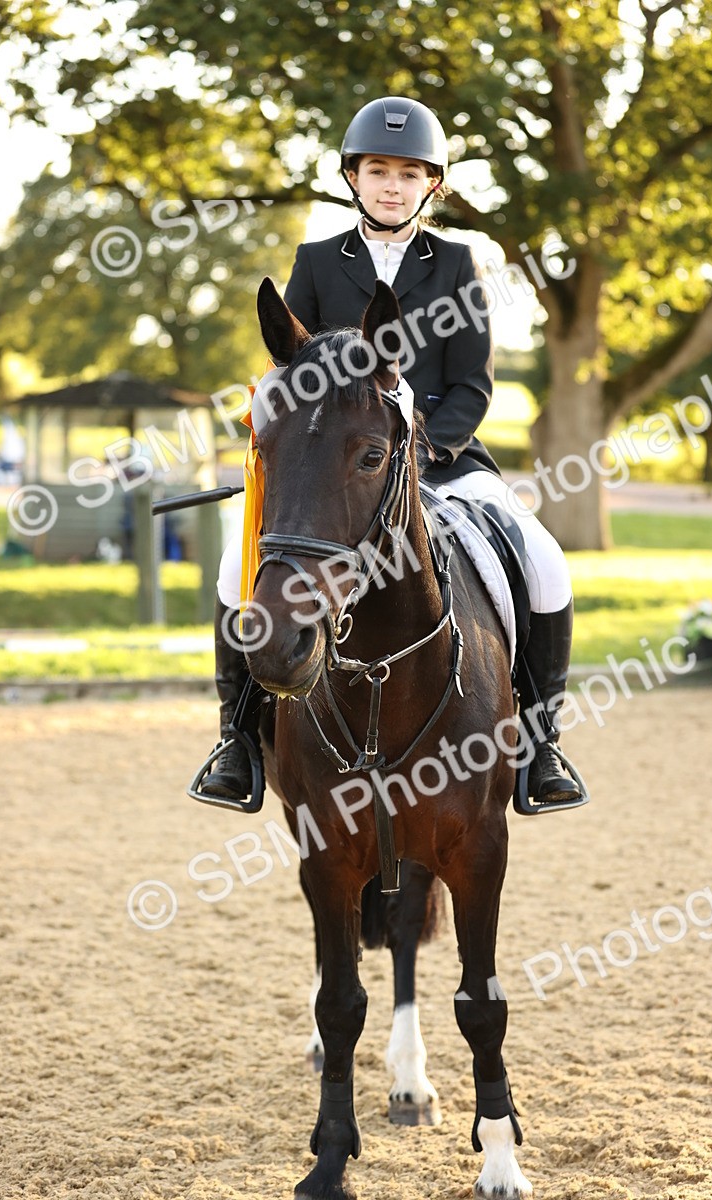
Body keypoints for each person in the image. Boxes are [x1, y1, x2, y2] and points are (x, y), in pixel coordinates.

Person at [195, 95, 582, 810]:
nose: (393, 185)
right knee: (233, 567)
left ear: (432, 183)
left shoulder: (460, 263)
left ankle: (542, 740)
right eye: (379, 170)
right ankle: (237, 740)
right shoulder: (314, 262)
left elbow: (471, 384)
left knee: (542, 558)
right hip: (336, 468)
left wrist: (420, 451)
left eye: (409, 173)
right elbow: (295, 372)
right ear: (354, 177)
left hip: (444, 462)